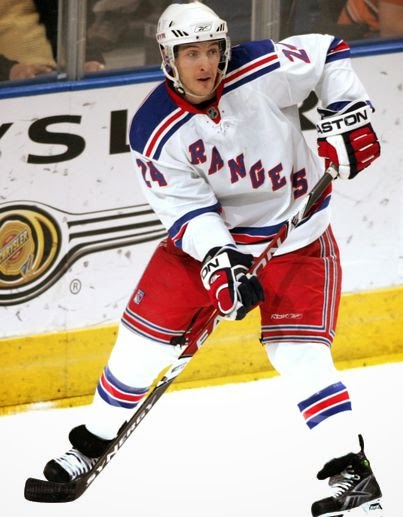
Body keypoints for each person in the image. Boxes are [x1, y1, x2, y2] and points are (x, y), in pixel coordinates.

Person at [41, 2, 383, 516]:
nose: (204, 64)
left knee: (298, 354)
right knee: (139, 346)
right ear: (168, 58)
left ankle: (352, 475)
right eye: (190, 54)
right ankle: (91, 443)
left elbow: (327, 51)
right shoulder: (154, 127)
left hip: (298, 240)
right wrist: (221, 262)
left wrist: (347, 114)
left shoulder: (260, 67)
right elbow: (187, 209)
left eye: (211, 51)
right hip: (205, 249)